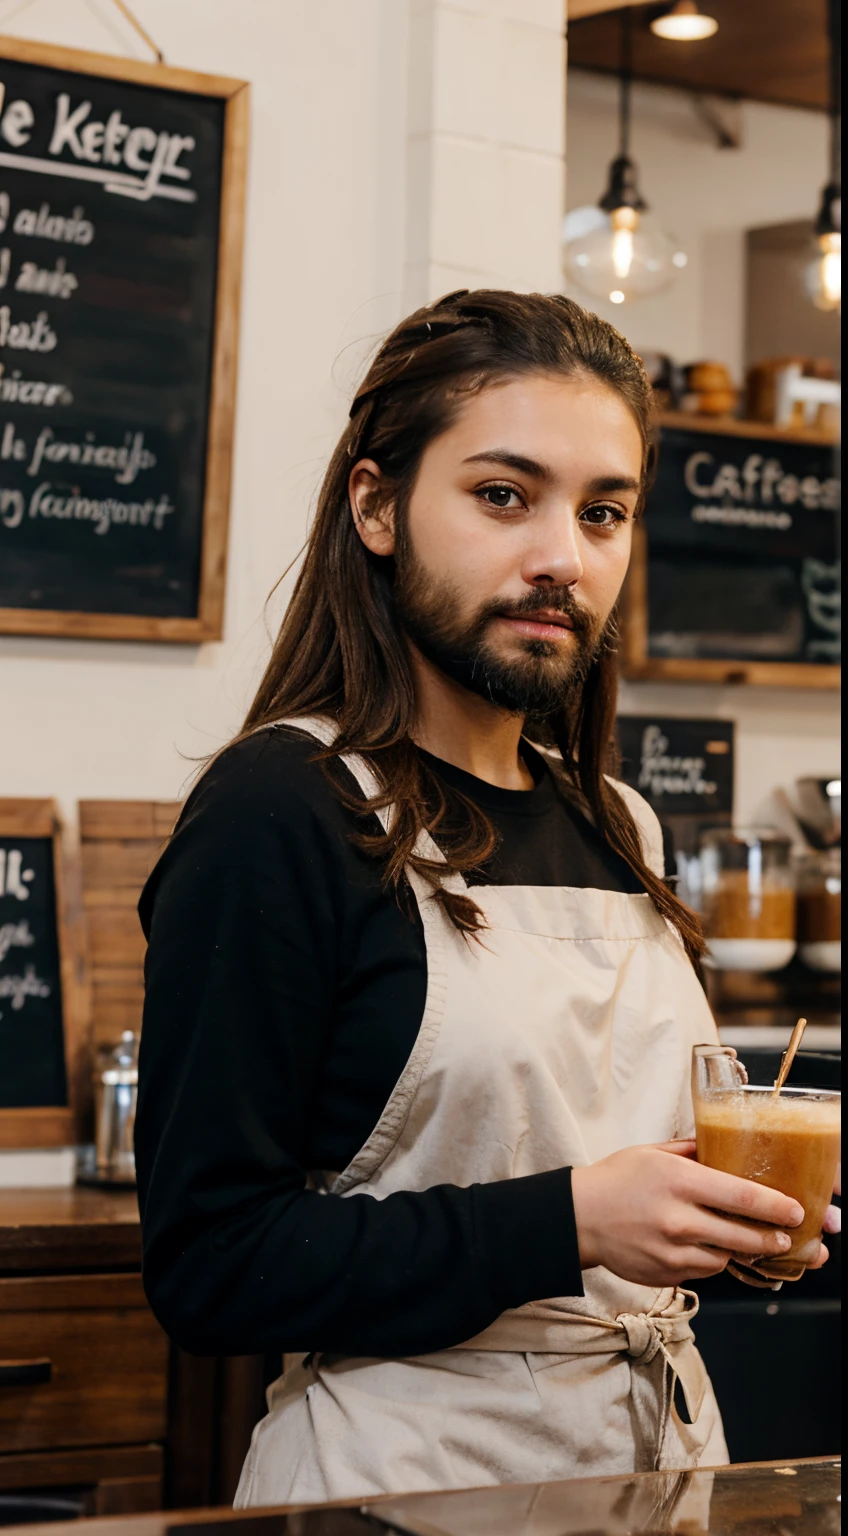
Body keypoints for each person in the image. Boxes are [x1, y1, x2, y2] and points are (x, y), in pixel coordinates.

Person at [135, 290, 833, 1507]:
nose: (562, 557)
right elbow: (210, 1268)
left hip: (657, 1470)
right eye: (503, 495)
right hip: (397, 1484)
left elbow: (623, 1180)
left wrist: (722, 1229)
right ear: (376, 506)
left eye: (602, 512)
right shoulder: (284, 810)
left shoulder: (619, 822)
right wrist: (571, 1220)